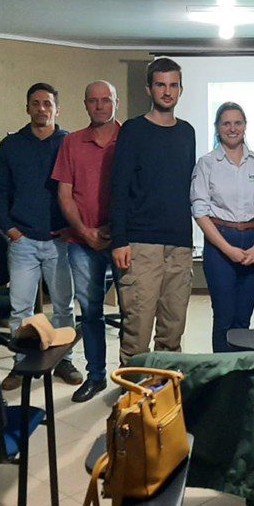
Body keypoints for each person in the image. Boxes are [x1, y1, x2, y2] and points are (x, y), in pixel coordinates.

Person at [0, 82, 80, 391]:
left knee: (64, 307)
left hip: (60, 240)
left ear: (58, 108)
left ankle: (65, 361)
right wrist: (11, 230)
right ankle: (21, 364)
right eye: (36, 103)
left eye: (47, 103)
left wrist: (74, 227)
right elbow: (0, 192)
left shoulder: (69, 143)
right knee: (21, 309)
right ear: (27, 107)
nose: (42, 108)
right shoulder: (12, 145)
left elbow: (79, 191)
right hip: (23, 241)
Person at [110, 58, 196, 362]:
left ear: (181, 89)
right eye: (161, 84)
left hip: (179, 244)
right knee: (138, 329)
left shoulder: (187, 132)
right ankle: (133, 400)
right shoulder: (133, 130)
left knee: (173, 331)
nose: (167, 91)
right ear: (149, 89)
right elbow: (118, 187)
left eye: (173, 85)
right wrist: (119, 240)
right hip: (141, 244)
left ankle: (164, 399)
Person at [52, 80, 121, 402]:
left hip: (124, 241)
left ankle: (130, 377)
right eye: (93, 100)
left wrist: (113, 228)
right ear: (85, 104)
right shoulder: (72, 143)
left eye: (105, 100)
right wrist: (84, 231)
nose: (99, 106)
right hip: (82, 243)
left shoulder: (131, 139)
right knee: (91, 312)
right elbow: (64, 193)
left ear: (115, 103)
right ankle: (96, 376)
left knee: (134, 313)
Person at [191, 102, 254, 352]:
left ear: (245, 126)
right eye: (226, 123)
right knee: (224, 317)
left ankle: (241, 379)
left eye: (238, 123)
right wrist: (227, 249)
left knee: (243, 318)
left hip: (252, 242)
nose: (232, 128)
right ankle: (223, 380)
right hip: (220, 244)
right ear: (217, 128)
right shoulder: (207, 164)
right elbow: (200, 210)